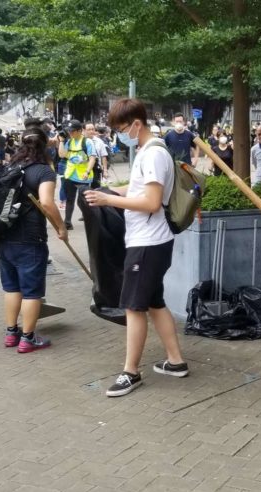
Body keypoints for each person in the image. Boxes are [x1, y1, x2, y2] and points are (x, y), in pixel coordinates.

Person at [85, 99, 188, 398]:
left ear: (136, 124)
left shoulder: (153, 154)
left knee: (133, 307)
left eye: (120, 129)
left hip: (147, 244)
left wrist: (109, 201)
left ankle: (131, 372)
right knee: (155, 302)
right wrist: (110, 192)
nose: (120, 134)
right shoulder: (149, 150)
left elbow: (151, 203)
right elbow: (139, 190)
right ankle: (175, 361)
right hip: (152, 242)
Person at [0, 126, 65, 353]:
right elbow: (46, 202)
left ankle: (11, 333)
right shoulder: (43, 171)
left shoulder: (10, 167)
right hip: (29, 238)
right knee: (32, 290)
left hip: (3, 235)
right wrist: (61, 227)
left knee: (12, 287)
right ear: (44, 146)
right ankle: (28, 338)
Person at [58, 120, 95, 230]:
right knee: (70, 199)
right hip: (70, 174)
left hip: (83, 176)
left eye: (73, 131)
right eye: (69, 131)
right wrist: (61, 141)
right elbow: (62, 155)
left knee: (82, 200)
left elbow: (92, 158)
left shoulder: (87, 142)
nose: (71, 133)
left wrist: (87, 171)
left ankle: (90, 218)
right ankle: (67, 222)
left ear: (80, 131)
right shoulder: (69, 142)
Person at [85, 122, 108, 188]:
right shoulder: (81, 141)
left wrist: (105, 170)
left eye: (93, 129)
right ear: (84, 130)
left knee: (96, 188)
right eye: (89, 129)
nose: (91, 131)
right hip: (83, 168)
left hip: (96, 169)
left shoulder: (99, 141)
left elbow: (103, 156)